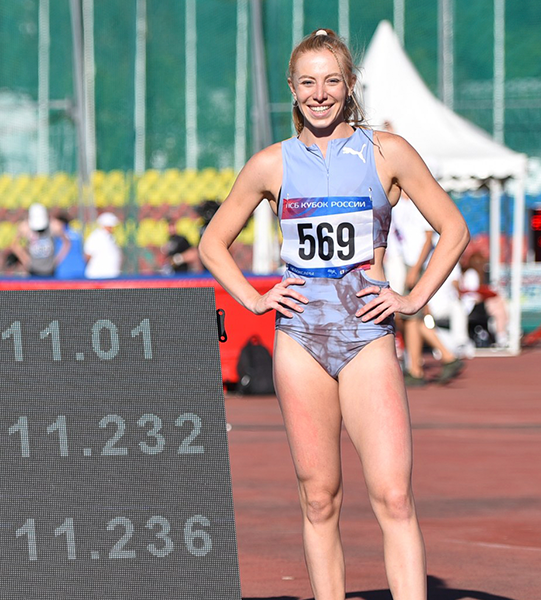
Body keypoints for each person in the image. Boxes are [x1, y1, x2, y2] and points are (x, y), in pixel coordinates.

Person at [197, 29, 468, 600]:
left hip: (366, 335)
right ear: (292, 89)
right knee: (318, 498)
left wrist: (413, 299)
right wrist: (254, 299)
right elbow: (212, 243)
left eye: (331, 81)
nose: (319, 93)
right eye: (307, 83)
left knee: (394, 496)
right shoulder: (271, 164)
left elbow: (454, 229)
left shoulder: (386, 151)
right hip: (300, 340)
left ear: (349, 86)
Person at [387, 196, 465, 385]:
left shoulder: (419, 201)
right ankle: (420, 366)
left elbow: (428, 239)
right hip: (404, 263)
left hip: (415, 264)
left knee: (411, 317)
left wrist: (415, 269)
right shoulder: (399, 204)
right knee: (411, 319)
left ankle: (436, 360)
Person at [459, 252, 510, 347]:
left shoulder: (475, 274)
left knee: (499, 303)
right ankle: (502, 335)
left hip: (474, 304)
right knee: (498, 305)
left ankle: (502, 333)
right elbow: (472, 294)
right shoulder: (472, 273)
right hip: (470, 306)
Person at [12, 203, 59, 277]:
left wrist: (57, 260)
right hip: (33, 271)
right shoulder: (24, 227)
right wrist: (25, 260)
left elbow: (66, 242)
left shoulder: (54, 226)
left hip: (50, 270)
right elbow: (14, 245)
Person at [83, 212, 122, 279]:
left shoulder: (111, 237)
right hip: (99, 276)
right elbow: (87, 255)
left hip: (110, 275)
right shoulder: (96, 237)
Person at [53, 211, 87, 279]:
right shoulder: (76, 234)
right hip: (80, 269)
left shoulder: (59, 235)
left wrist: (53, 263)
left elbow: (66, 245)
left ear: (60, 223)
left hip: (64, 271)